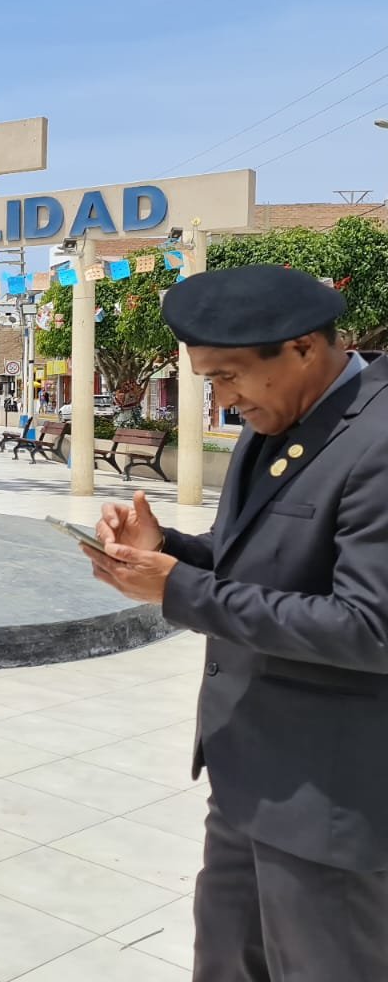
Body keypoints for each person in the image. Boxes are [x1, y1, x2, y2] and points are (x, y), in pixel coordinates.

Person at [83, 265, 388, 980]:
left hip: (334, 796)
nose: (222, 401)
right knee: (226, 962)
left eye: (229, 377)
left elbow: (370, 626)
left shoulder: (378, 441)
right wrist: (170, 552)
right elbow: (258, 557)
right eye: (207, 381)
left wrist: (182, 591)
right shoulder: (279, 418)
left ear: (305, 348)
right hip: (250, 771)